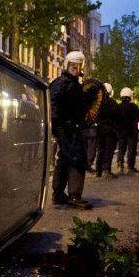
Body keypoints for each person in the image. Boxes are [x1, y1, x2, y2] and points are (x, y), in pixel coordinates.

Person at [50, 51, 91, 209]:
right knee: (77, 159)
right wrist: (58, 126)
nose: (76, 68)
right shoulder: (61, 83)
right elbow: (53, 105)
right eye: (73, 65)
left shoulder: (76, 85)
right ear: (67, 65)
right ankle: (74, 195)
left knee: (65, 159)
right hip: (67, 128)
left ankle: (58, 194)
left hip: (72, 128)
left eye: (78, 65)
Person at [94, 82, 119, 177]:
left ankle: (98, 170)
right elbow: (117, 116)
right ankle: (106, 168)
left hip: (100, 129)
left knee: (101, 149)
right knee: (109, 149)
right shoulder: (113, 103)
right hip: (110, 130)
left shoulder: (97, 103)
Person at [116, 87, 139, 172]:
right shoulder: (133, 106)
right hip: (132, 131)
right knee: (131, 149)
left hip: (121, 131)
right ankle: (130, 166)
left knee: (121, 148)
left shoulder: (118, 107)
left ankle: (120, 163)